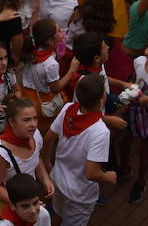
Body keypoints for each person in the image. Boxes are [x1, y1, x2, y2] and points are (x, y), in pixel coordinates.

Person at [43, 73, 115, 226]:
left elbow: (49, 138)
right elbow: (92, 173)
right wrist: (108, 176)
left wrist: (47, 163)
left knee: (57, 214)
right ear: (102, 100)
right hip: (79, 194)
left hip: (58, 178)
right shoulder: (101, 132)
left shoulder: (68, 109)